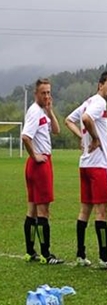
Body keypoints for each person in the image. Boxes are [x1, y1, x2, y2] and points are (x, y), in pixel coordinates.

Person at [65, 70, 107, 270]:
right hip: (98, 164)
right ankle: (104, 258)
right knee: (102, 211)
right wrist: (95, 138)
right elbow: (86, 119)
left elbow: (69, 120)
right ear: (100, 85)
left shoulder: (88, 101)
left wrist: (82, 139)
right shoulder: (99, 102)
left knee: (85, 210)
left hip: (85, 164)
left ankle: (81, 255)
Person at [22, 78, 64, 264]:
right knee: (43, 210)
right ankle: (46, 255)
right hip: (40, 164)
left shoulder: (43, 112)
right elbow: (25, 136)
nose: (46, 95)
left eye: (48, 92)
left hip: (37, 165)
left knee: (32, 209)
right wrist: (35, 155)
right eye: (43, 93)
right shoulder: (34, 112)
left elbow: (56, 130)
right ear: (35, 94)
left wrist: (50, 110)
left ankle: (30, 251)